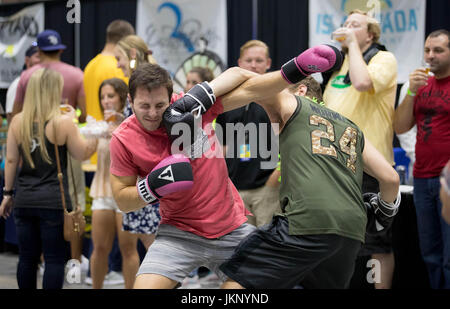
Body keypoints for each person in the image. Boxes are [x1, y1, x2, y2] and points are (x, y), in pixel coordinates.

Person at [109, 43, 350, 289]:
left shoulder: (188, 108)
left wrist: (295, 68)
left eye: (160, 105)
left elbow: (248, 86)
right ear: (130, 100)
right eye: (144, 106)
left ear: (171, 97)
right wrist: (152, 185)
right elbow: (122, 199)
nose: (152, 114)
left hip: (231, 229)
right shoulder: (123, 139)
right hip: (177, 233)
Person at [213, 48, 400, 290]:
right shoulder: (352, 127)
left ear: (301, 91)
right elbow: (391, 178)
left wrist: (198, 102)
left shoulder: (292, 102)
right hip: (352, 230)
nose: (267, 110)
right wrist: (384, 211)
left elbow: (247, 81)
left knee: (237, 283)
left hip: (307, 220)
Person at [0, 68, 97, 289]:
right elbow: (82, 153)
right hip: (54, 200)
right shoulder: (62, 123)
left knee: (27, 258)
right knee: (54, 259)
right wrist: (90, 132)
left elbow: (12, 161)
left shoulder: (18, 122)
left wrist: (7, 194)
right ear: (54, 91)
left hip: (24, 199)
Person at [322, 10, 398, 289]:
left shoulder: (383, 58)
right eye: (346, 24)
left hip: (371, 166)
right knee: (341, 238)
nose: (348, 28)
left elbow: (363, 83)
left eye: (356, 25)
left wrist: (352, 44)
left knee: (377, 241)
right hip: (337, 166)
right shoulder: (340, 66)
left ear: (371, 34)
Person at [394, 29, 450, 289]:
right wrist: (412, 93)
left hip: (447, 180)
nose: (430, 56)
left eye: (438, 50)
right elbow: (401, 127)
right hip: (422, 176)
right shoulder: (417, 83)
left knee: (449, 257)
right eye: (427, 50)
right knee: (429, 254)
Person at [215, 39, 281, 228]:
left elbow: (288, 141)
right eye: (249, 60)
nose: (253, 65)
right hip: (234, 190)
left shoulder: (279, 96)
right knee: (240, 249)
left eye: (259, 60)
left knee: (270, 248)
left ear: (268, 64)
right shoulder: (227, 98)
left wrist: (272, 182)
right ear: (239, 64)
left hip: (267, 189)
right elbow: (219, 143)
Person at [88, 78, 143, 289]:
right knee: (99, 248)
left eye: (110, 96)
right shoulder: (99, 127)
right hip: (102, 191)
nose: (106, 101)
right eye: (102, 97)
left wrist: (118, 134)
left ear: (122, 97)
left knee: (129, 249)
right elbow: (83, 151)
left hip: (127, 192)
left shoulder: (134, 124)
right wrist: (70, 131)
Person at [84, 19, 135, 122]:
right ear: (127, 41)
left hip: (93, 130)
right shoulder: (120, 67)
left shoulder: (90, 65)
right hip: (111, 130)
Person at [6, 43, 40, 124]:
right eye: (38, 57)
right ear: (27, 61)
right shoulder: (18, 83)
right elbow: (12, 116)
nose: (42, 60)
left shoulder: (46, 83)